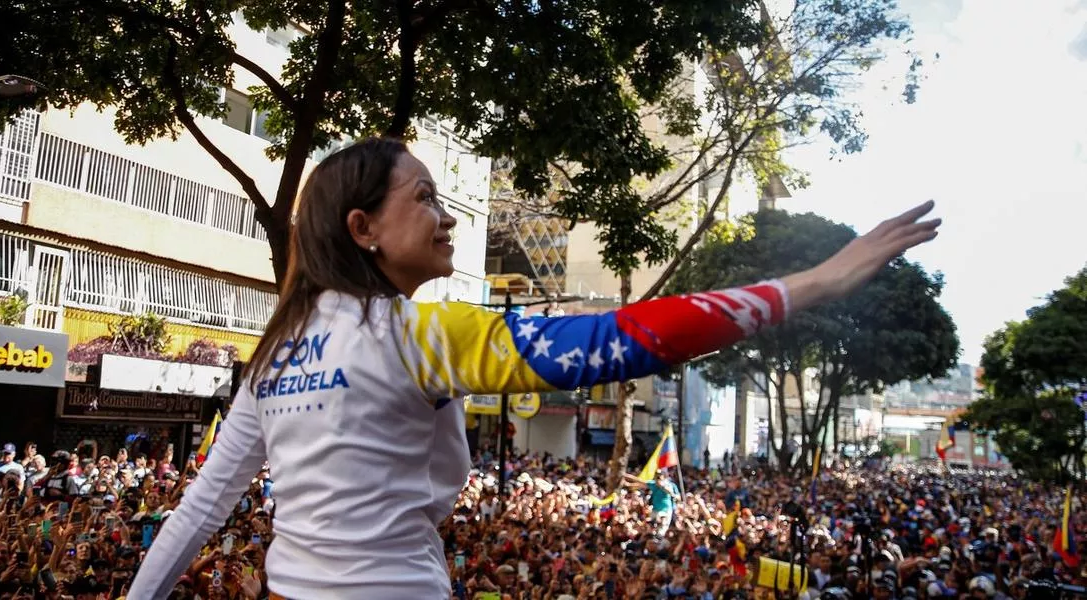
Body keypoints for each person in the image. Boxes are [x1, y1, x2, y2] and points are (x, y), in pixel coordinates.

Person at [129, 137, 941, 599]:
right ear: (363, 227)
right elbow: (617, 341)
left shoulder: (278, 349)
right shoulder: (418, 336)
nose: (447, 217)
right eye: (425, 198)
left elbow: (204, 506)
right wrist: (815, 283)